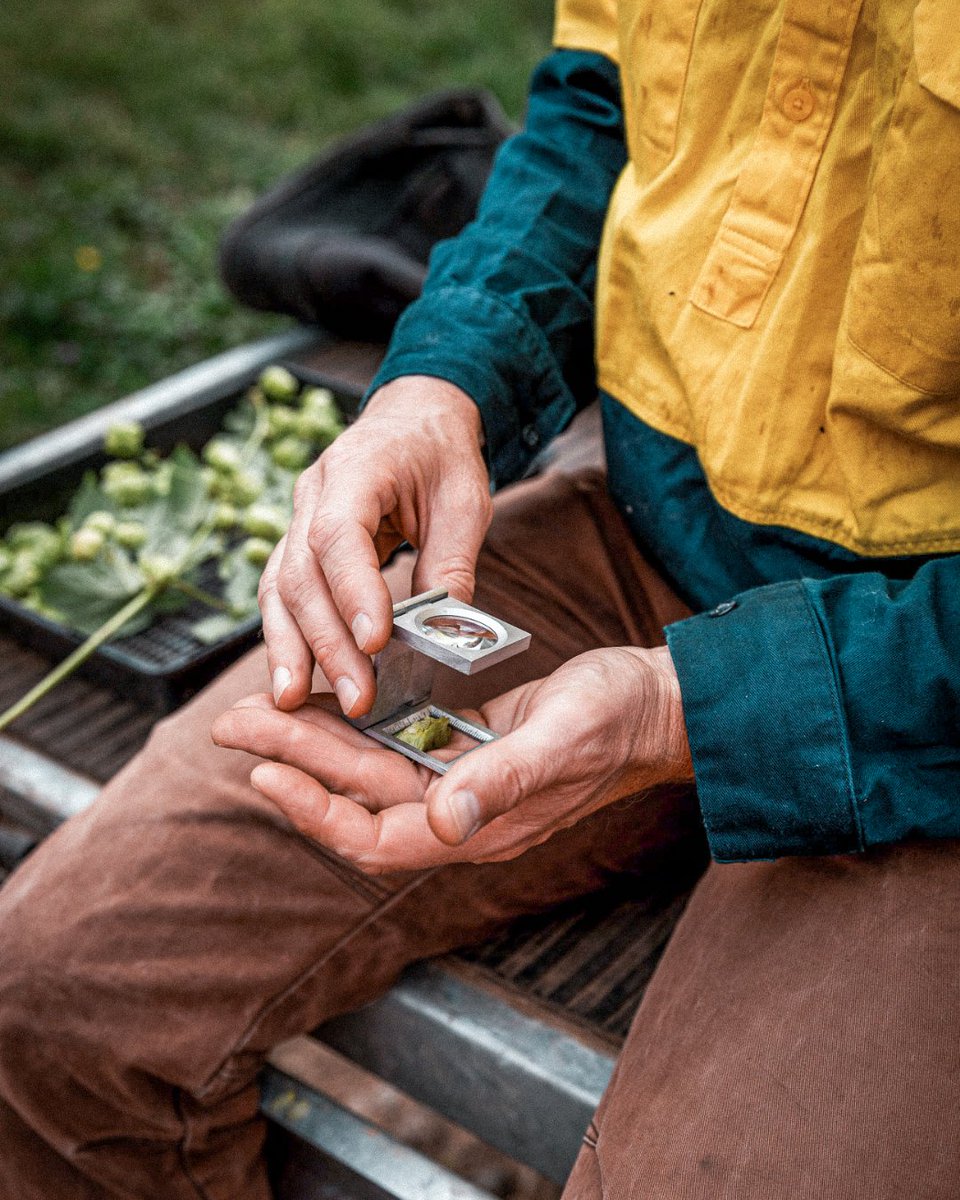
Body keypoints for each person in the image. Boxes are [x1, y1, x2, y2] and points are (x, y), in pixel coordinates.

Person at [2, 0, 959, 1195]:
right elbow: (597, 105)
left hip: (934, 702)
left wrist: (687, 711)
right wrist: (446, 377)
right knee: (54, 990)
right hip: (651, 521)